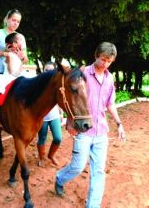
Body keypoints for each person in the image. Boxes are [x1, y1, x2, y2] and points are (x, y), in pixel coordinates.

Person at [54, 42, 126, 208]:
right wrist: (70, 123)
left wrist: (119, 124)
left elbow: (110, 104)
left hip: (101, 131)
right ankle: (60, 178)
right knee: (78, 166)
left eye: (109, 61)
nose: (105, 64)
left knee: (99, 171)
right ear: (96, 55)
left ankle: (93, 205)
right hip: (83, 130)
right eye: (103, 59)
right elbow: (71, 99)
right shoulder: (83, 73)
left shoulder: (109, 78)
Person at [37, 62, 63, 167]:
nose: (49, 72)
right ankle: (42, 157)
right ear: (43, 71)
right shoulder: (38, 84)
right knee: (42, 138)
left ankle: (51, 155)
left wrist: (61, 113)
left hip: (54, 116)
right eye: (46, 70)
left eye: (51, 70)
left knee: (58, 138)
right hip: (42, 117)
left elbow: (59, 100)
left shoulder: (56, 85)